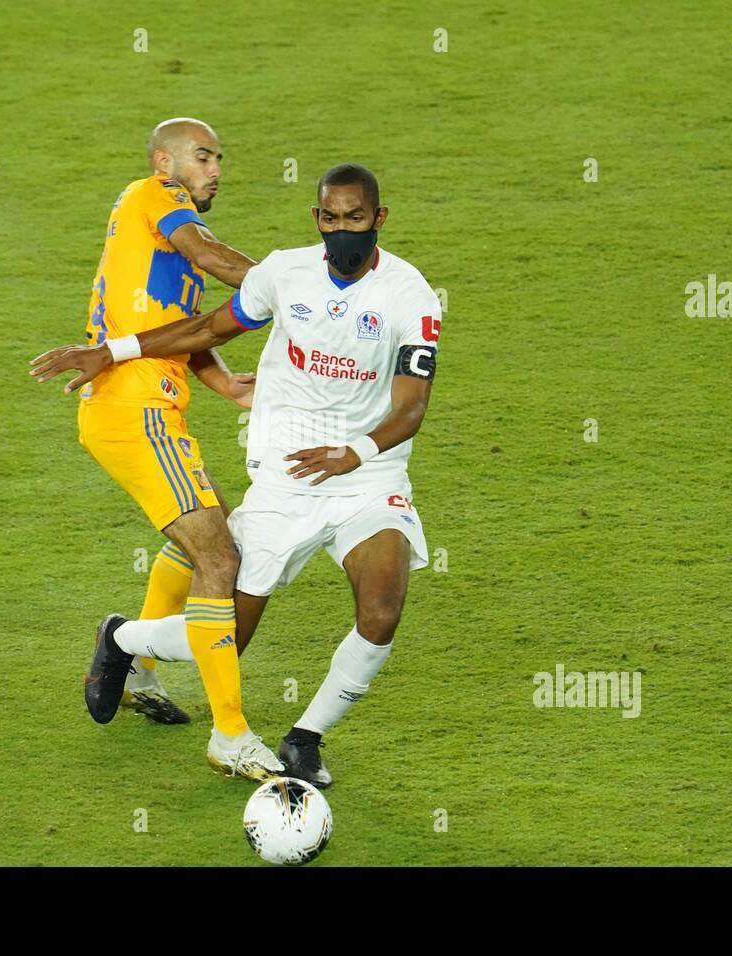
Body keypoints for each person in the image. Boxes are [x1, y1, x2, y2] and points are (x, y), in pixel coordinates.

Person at [32, 163, 442, 787]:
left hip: (366, 473)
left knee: (382, 610)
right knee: (226, 638)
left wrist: (354, 453)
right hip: (286, 475)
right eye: (330, 219)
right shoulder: (285, 272)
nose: (342, 231)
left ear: (378, 220)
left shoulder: (410, 295)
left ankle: (306, 737)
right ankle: (122, 640)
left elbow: (411, 406)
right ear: (317, 220)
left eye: (355, 219)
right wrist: (109, 351)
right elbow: (205, 328)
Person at [37, 118, 284, 779]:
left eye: (220, 159)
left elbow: (179, 328)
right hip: (135, 412)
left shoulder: (161, 243)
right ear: (163, 161)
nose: (216, 169)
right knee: (221, 555)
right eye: (203, 156)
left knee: (202, 541)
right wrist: (291, 288)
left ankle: (140, 666)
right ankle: (229, 732)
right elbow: (207, 254)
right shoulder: (156, 197)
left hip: (144, 410)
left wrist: (224, 383)